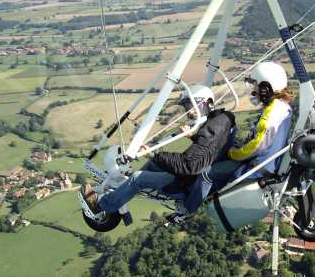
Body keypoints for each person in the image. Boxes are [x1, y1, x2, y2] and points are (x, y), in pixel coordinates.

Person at [81, 84, 235, 222]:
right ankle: (125, 190)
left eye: (190, 105)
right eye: (187, 107)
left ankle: (101, 206)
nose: (188, 112)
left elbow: (190, 165)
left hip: (186, 181)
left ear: (206, 103)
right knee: (153, 165)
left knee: (138, 178)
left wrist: (153, 154)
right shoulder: (221, 120)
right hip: (193, 174)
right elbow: (210, 147)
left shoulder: (214, 126)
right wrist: (193, 137)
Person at [183, 61, 292, 211]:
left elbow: (258, 145)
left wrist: (234, 153)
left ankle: (187, 209)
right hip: (266, 163)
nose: (254, 92)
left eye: (256, 87)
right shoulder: (283, 107)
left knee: (206, 173)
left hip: (257, 168)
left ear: (266, 89)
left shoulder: (272, 113)